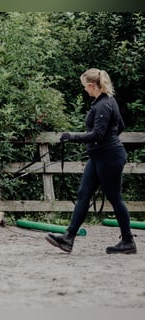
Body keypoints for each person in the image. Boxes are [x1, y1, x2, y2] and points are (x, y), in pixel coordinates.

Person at [45, 68, 137, 254]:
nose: (84, 90)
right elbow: (120, 126)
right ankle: (68, 238)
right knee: (83, 194)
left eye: (85, 86)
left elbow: (98, 134)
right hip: (99, 156)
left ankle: (128, 241)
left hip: (109, 158)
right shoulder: (105, 102)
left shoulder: (104, 104)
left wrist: (71, 137)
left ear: (91, 85)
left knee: (115, 198)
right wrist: (101, 146)